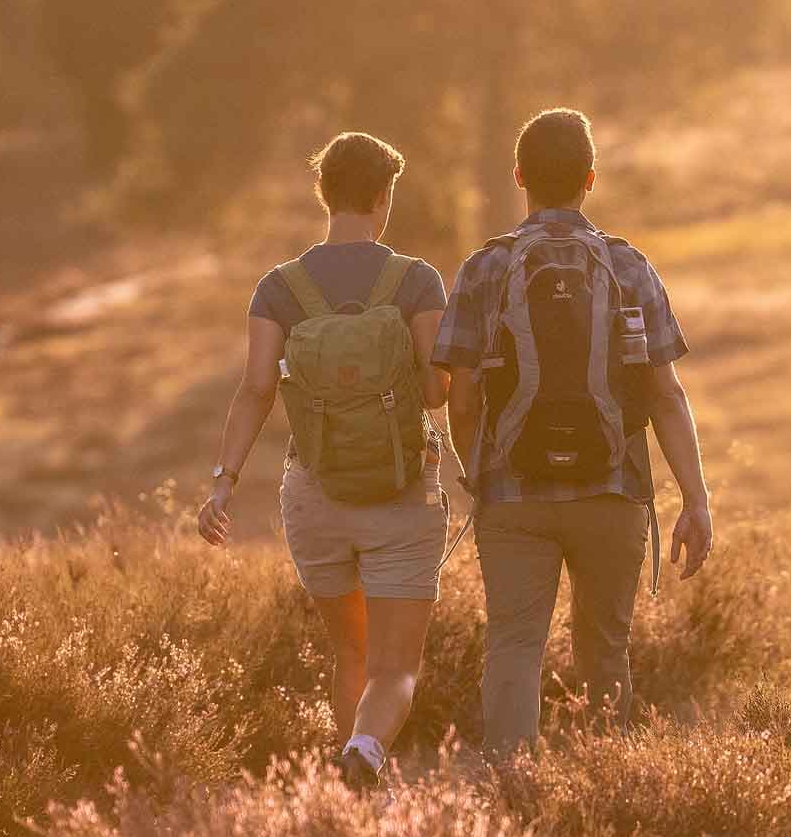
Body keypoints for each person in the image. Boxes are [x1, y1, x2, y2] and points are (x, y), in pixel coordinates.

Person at [442, 108, 714, 756]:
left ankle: (514, 792)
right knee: (605, 649)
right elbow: (665, 394)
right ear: (591, 177)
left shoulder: (485, 269)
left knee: (513, 644)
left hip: (514, 496)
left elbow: (461, 398)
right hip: (613, 488)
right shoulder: (628, 268)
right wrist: (696, 500)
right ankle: (603, 782)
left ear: (518, 177)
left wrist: (479, 469)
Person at [196, 132, 455, 790]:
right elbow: (436, 390)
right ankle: (366, 750)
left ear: (324, 194)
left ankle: (349, 804)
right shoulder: (417, 280)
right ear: (381, 197)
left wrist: (223, 484)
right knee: (395, 667)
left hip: (315, 495)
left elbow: (256, 387)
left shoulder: (279, 288)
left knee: (351, 651)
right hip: (399, 493)